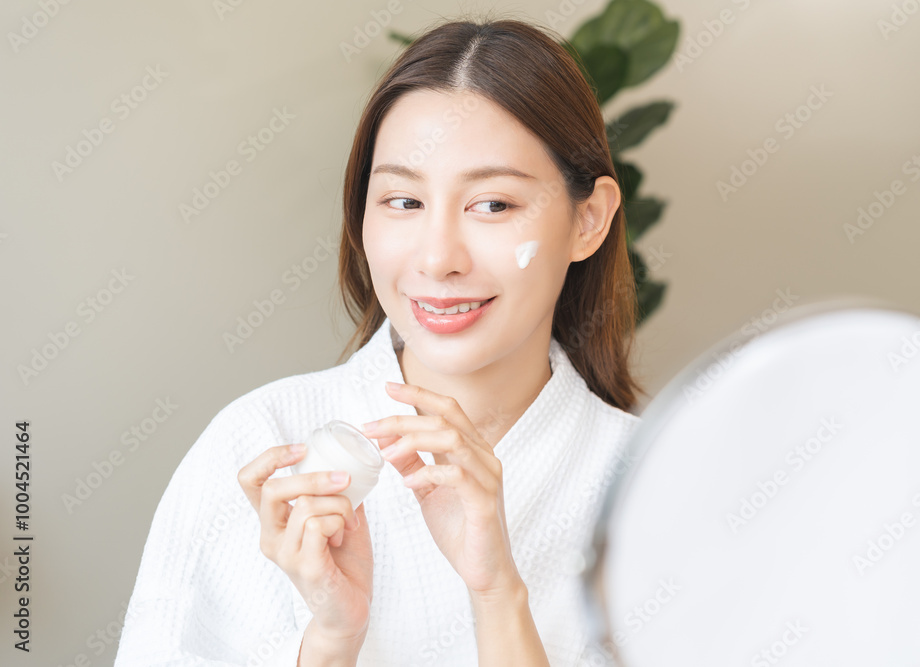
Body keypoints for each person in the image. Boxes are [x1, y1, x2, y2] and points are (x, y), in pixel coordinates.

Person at [115, 13, 647, 667]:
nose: (438, 258)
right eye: (403, 201)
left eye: (492, 205)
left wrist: (498, 593)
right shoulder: (257, 444)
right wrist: (331, 640)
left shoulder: (654, 483)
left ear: (587, 220)